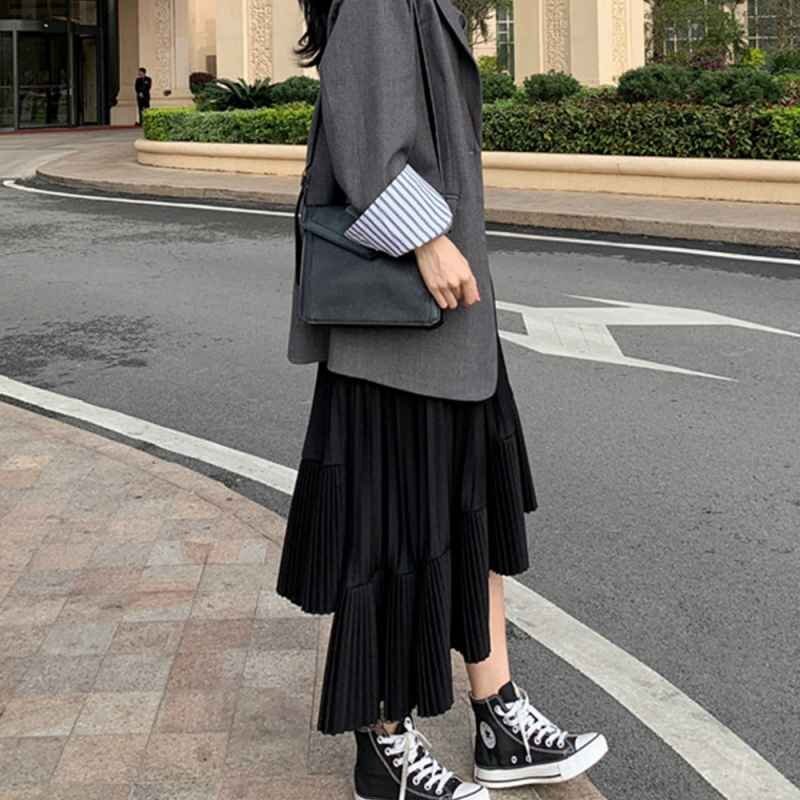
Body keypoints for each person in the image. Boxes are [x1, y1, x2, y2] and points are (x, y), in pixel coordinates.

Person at [278, 0, 610, 797]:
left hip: (446, 323)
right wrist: (426, 237)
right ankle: (383, 745)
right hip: (399, 323)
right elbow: (364, 137)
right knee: (394, 532)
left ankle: (498, 716)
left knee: (472, 520)